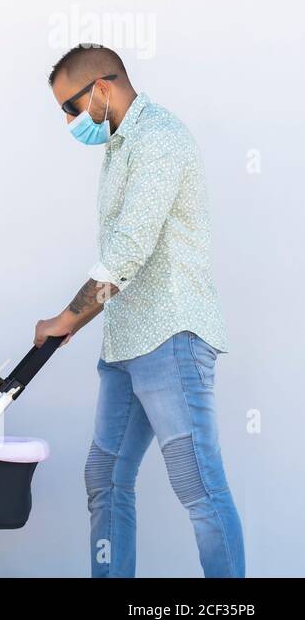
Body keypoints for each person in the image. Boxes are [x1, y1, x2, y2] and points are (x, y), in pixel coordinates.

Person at [34, 44, 245, 578]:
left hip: (170, 338)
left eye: (71, 108)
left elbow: (130, 247)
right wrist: (88, 318)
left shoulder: (160, 140)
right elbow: (122, 259)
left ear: (102, 88)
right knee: (104, 477)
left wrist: (69, 316)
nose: (68, 121)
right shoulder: (119, 145)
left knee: (198, 484)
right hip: (126, 341)